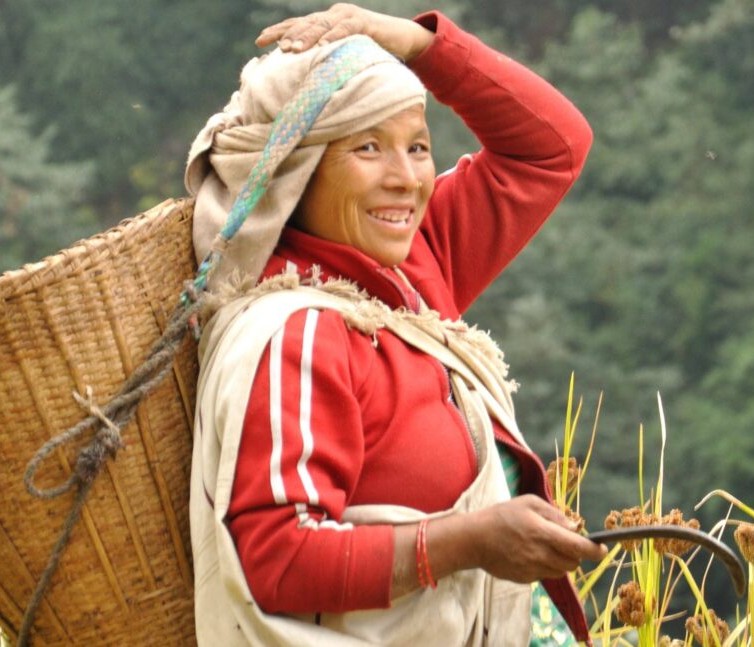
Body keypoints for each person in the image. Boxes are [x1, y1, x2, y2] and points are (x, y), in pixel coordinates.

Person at [186, 4, 607, 645]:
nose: (407, 179)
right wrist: (469, 542)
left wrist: (416, 44)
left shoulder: (413, 266)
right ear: (297, 170)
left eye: (417, 147)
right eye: (367, 148)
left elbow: (552, 149)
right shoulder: (297, 335)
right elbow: (277, 558)